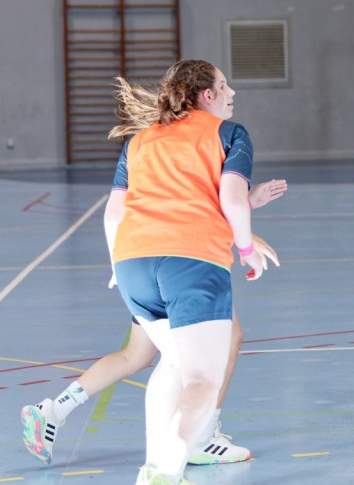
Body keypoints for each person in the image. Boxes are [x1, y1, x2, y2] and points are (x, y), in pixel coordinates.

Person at [81, 61, 276, 485]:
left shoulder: (140, 140)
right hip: (189, 262)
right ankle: (168, 468)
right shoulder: (229, 133)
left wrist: (117, 266)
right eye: (224, 85)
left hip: (132, 265)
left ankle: (153, 466)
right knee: (203, 379)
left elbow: (113, 215)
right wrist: (247, 250)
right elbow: (232, 200)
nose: (231, 93)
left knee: (173, 362)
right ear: (207, 95)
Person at [20, 178, 287, 467]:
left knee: (136, 354)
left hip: (141, 257)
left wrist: (117, 267)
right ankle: (201, 437)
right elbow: (195, 206)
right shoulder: (192, 150)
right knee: (226, 340)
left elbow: (131, 210)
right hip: (182, 258)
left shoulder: (139, 154)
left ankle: (53, 411)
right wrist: (244, 234)